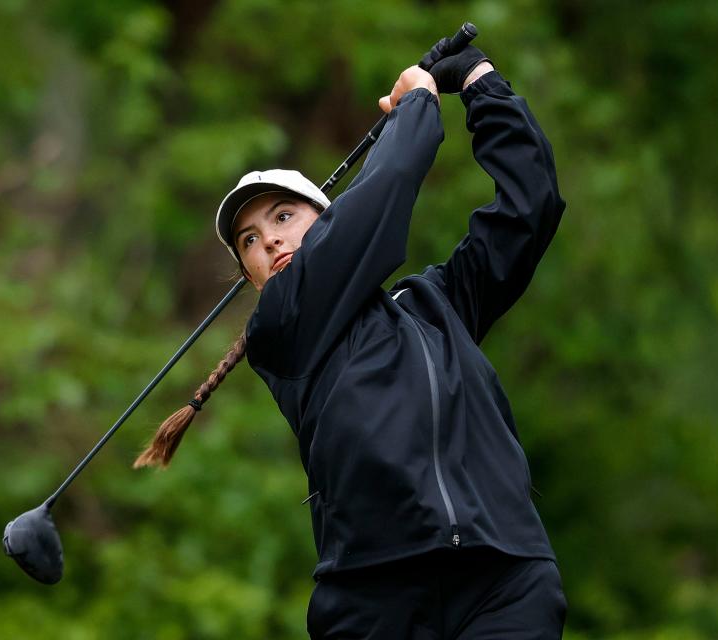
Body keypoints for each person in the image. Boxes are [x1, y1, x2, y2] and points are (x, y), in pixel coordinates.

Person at [135, 42, 567, 639]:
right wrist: (416, 106)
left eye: (283, 218)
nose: (269, 244)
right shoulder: (281, 329)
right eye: (249, 242)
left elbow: (529, 206)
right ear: (250, 274)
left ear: (325, 216)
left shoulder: (436, 305)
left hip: (502, 578)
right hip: (375, 600)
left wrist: (479, 83)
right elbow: (385, 187)